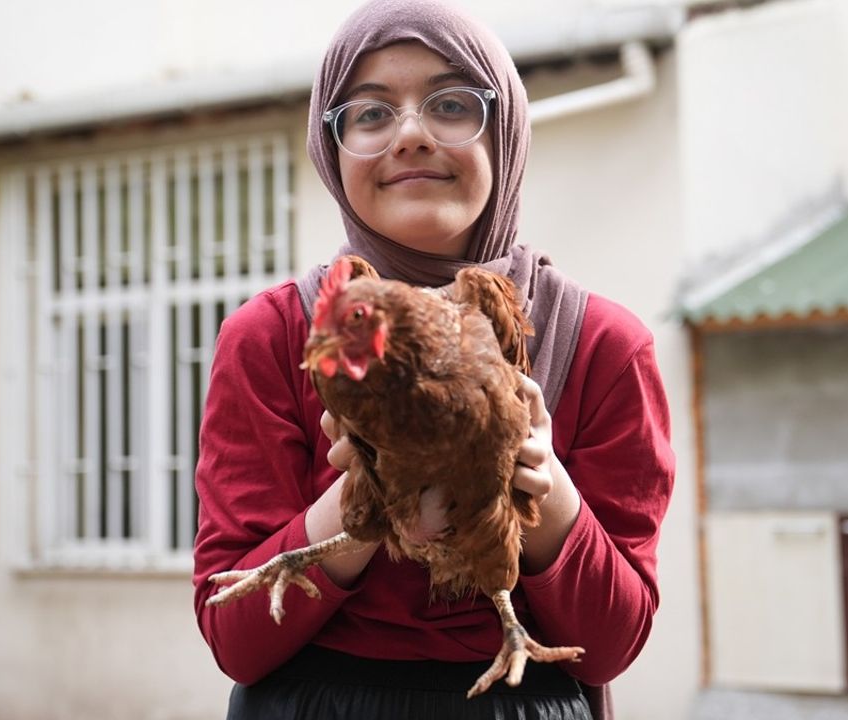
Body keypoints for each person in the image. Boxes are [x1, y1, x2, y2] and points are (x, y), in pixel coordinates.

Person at [192, 1, 674, 717]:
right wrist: (363, 497)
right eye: (370, 114)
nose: (411, 134)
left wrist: (539, 487)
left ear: (504, 128)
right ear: (332, 149)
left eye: (451, 103)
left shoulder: (601, 343)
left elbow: (612, 644)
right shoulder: (275, 337)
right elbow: (236, 636)